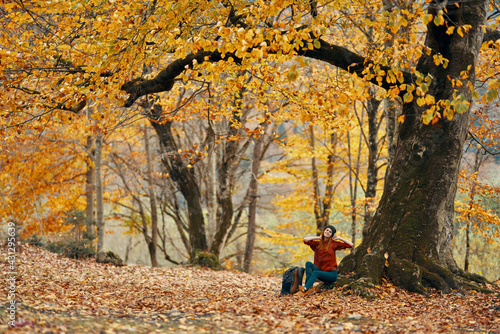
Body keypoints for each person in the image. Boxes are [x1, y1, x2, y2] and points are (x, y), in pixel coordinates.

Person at [298, 225, 353, 295]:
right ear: (324, 231)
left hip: (331, 274)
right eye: (327, 230)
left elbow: (351, 245)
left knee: (315, 273)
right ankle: (309, 288)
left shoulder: (334, 244)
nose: (328, 232)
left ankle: (305, 289)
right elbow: (305, 240)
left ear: (331, 235)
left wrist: (339, 238)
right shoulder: (317, 243)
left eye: (330, 232)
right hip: (321, 271)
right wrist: (318, 237)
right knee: (308, 264)